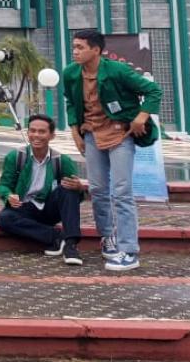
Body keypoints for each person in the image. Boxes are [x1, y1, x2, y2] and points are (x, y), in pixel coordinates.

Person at [63, 29, 162, 273]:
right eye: (74, 47)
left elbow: (153, 91)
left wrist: (140, 117)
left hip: (120, 134)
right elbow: (71, 102)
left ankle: (129, 251)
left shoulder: (117, 71)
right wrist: (75, 132)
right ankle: (108, 237)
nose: (75, 51)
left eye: (80, 47)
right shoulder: (71, 73)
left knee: (122, 191)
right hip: (92, 134)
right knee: (97, 189)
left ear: (96, 50)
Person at [0, 113, 87, 265]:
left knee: (68, 187)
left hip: (49, 209)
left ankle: (70, 246)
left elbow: (75, 197)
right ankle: (56, 237)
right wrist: (8, 195)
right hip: (24, 208)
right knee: (4, 219)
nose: (36, 135)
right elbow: (4, 185)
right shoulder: (16, 157)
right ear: (28, 133)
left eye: (42, 132)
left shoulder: (61, 161)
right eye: (32, 131)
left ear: (52, 135)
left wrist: (79, 188)